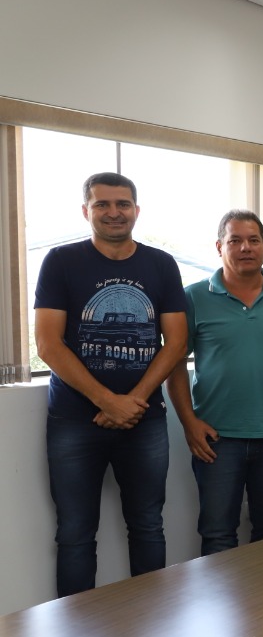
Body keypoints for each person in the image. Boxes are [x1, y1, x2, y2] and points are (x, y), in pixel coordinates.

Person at [33, 172, 188, 597]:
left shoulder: (160, 264)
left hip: (145, 418)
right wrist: (107, 400)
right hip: (73, 420)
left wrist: (133, 400)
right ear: (86, 211)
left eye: (122, 204)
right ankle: (74, 631)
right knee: (75, 533)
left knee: (147, 526)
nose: (113, 212)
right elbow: (48, 344)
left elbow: (177, 342)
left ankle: (150, 619)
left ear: (137, 210)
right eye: (102, 204)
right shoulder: (61, 261)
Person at [166, 210, 263, 556]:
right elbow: (173, 365)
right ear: (219, 247)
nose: (245, 247)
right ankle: (223, 611)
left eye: (253, 240)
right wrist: (189, 422)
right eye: (235, 240)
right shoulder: (193, 298)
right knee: (218, 534)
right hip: (216, 438)